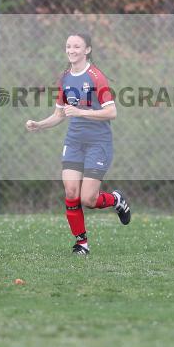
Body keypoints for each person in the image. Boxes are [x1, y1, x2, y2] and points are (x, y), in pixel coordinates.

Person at [25, 33, 131, 254]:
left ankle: (116, 199)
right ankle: (81, 243)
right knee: (71, 191)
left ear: (87, 50)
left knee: (88, 199)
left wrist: (82, 112)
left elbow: (112, 112)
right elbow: (59, 114)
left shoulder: (96, 76)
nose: (72, 50)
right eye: (68, 46)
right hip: (74, 141)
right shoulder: (65, 77)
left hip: (98, 143)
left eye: (77, 46)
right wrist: (39, 124)